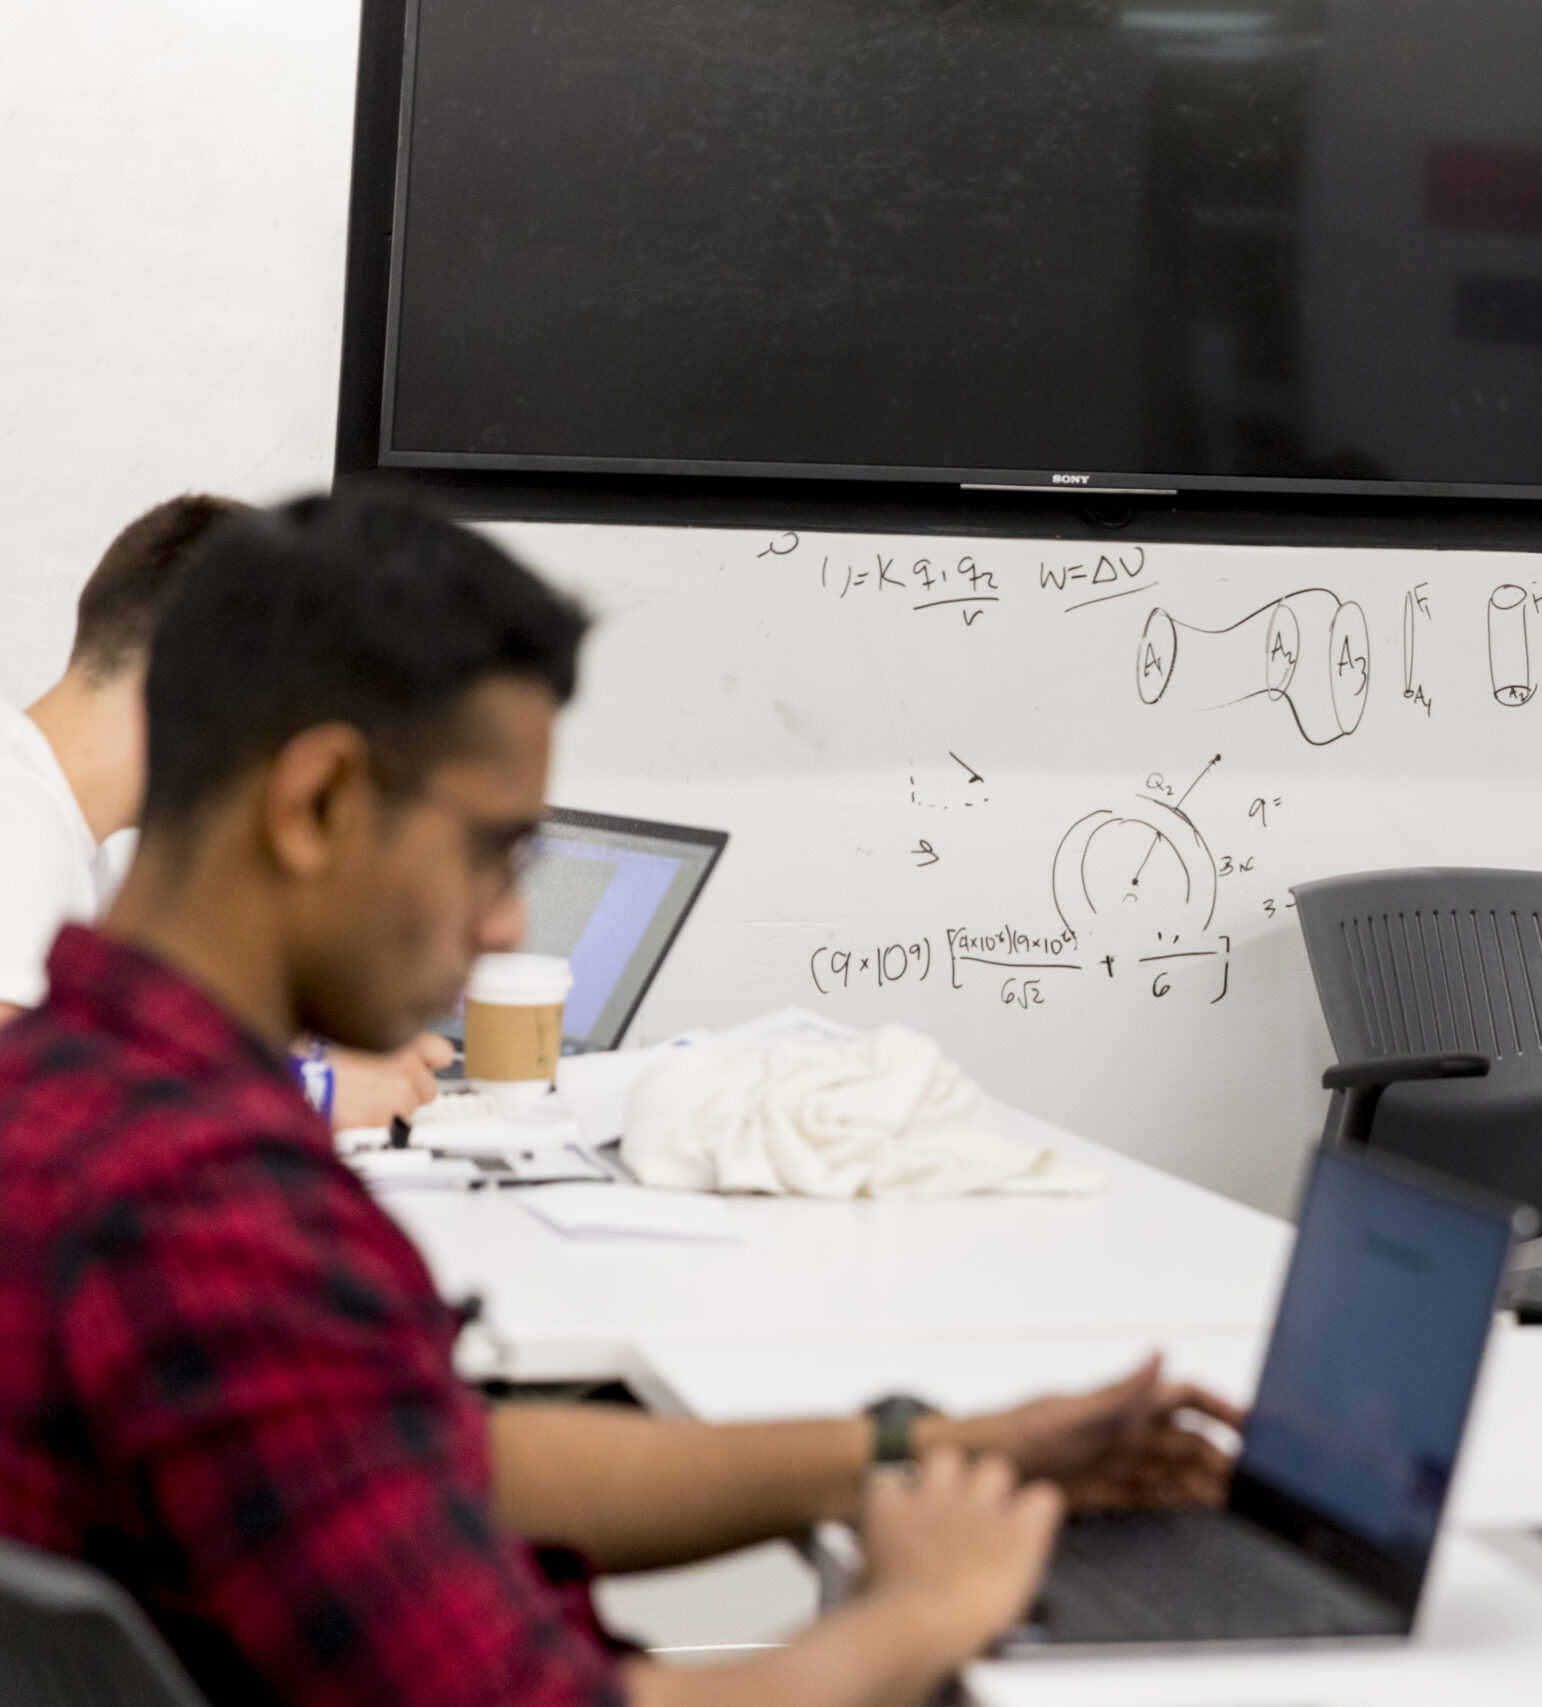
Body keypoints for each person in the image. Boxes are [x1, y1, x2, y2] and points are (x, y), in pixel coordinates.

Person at [0, 495, 1239, 1707]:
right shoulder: (217, 1228)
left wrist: (923, 1451)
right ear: (317, 802)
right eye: (494, 853)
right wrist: (918, 1617)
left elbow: (455, 1457)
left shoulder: (70, 1096)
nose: (504, 928)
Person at [0, 495, 453, 1127]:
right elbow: (28, 1103)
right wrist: (305, 1088)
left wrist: (301, 1055)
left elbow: (111, 1052)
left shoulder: (67, 822)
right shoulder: (15, 811)